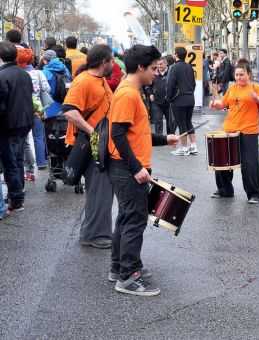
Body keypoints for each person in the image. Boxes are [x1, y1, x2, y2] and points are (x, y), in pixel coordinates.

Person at [107, 44, 179, 296]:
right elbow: (117, 134)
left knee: (126, 218)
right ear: (140, 67)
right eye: (153, 69)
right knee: (135, 220)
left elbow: (135, 133)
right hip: (127, 169)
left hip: (124, 167)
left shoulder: (130, 90)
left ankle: (120, 268)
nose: (156, 73)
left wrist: (163, 139)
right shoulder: (128, 93)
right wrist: (136, 168)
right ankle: (128, 276)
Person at [61, 44, 115, 249]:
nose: (113, 64)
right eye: (111, 60)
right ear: (103, 62)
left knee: (101, 188)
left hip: (99, 141)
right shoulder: (84, 81)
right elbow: (69, 111)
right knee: (99, 189)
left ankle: (95, 232)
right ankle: (94, 234)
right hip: (92, 141)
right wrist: (93, 132)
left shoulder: (98, 79)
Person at [209, 59, 259, 204]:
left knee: (249, 164)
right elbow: (223, 104)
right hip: (230, 129)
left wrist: (258, 99)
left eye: (242, 74)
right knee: (222, 160)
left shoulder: (256, 88)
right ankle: (225, 190)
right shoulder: (232, 88)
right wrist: (215, 104)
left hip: (249, 131)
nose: (239, 77)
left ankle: (254, 194)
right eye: (236, 75)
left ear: (248, 74)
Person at [0, 41, 34, 213]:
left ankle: (16, 198)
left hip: (9, 125)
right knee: (17, 159)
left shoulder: (2, 76)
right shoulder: (24, 74)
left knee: (11, 162)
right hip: (24, 122)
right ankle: (18, 193)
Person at [167, 46, 197, 156]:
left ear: (176, 55)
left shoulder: (174, 67)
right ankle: (193, 146)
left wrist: (169, 97)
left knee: (181, 123)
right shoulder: (189, 67)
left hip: (179, 100)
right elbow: (193, 84)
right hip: (190, 98)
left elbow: (170, 84)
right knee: (188, 121)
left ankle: (184, 148)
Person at [41, 50, 72, 118]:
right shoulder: (65, 69)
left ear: (45, 61)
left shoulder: (44, 73)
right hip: (66, 106)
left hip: (49, 108)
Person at [149, 56, 173, 135]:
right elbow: (148, 84)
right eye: (158, 64)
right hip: (157, 101)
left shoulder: (171, 72)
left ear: (166, 64)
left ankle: (170, 137)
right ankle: (159, 137)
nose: (159, 66)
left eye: (161, 64)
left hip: (169, 101)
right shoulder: (154, 73)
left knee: (170, 121)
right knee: (158, 120)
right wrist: (150, 93)